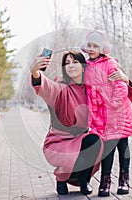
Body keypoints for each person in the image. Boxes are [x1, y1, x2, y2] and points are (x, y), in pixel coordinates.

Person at [30, 50, 103, 195]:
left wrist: (123, 79)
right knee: (74, 157)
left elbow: (113, 93)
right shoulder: (61, 88)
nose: (71, 65)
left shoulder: (91, 89)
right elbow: (47, 87)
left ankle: (84, 181)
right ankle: (61, 178)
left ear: (83, 66)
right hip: (59, 142)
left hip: (80, 138)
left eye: (75, 62)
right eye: (67, 63)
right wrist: (35, 72)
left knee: (95, 141)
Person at [81, 30, 132, 197]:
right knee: (107, 148)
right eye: (89, 45)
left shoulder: (110, 63)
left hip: (118, 112)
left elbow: (120, 86)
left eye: (95, 46)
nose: (91, 48)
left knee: (122, 146)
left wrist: (113, 105)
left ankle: (124, 179)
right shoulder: (88, 66)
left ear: (103, 48)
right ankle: (105, 180)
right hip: (102, 116)